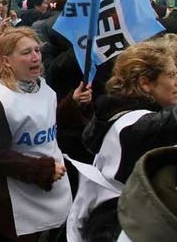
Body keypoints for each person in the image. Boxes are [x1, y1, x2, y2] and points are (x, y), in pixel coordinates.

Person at [0, 28, 91, 242]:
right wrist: (41, 170)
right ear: (6, 61)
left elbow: (45, 124)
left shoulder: (44, 88)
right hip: (12, 196)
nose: (36, 57)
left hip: (49, 184)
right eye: (26, 52)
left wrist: (72, 103)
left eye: (37, 50)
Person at [68, 37, 177, 241]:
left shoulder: (117, 112)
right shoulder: (136, 125)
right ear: (145, 83)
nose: (176, 81)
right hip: (120, 227)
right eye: (171, 75)